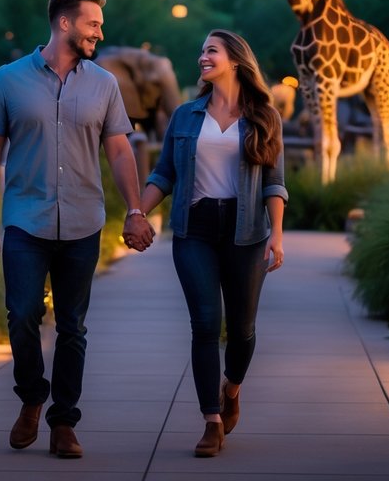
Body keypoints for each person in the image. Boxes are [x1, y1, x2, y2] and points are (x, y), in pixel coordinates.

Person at [0, 0, 145, 460]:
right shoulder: (7, 80)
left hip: (83, 223)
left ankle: (63, 421)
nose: (100, 32)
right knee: (23, 315)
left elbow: (119, 149)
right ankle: (31, 395)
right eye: (93, 23)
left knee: (73, 326)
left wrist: (135, 210)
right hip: (26, 221)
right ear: (65, 24)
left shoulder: (104, 84)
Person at [123, 29, 287, 458]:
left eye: (210, 51)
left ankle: (231, 388)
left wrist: (278, 236)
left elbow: (275, 182)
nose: (202, 58)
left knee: (244, 330)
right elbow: (163, 175)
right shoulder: (185, 116)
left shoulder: (265, 117)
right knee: (205, 324)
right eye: (201, 52)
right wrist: (137, 212)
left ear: (235, 60)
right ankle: (211, 420)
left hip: (246, 231)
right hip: (194, 230)